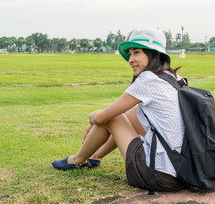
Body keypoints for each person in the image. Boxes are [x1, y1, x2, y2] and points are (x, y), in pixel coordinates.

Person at [52, 27, 186, 191]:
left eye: (136, 52)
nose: (130, 59)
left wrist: (93, 117)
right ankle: (96, 156)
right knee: (130, 112)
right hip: (180, 172)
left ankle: (78, 159)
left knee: (113, 117)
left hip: (157, 175)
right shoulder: (175, 78)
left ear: (154, 54)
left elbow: (103, 118)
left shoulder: (148, 79)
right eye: (130, 54)